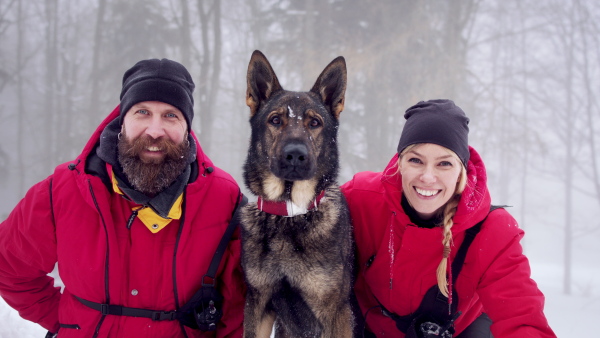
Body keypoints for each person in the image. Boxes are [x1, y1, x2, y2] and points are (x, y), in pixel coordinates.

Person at [0, 58, 246, 337]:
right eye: (142, 112)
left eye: (170, 115)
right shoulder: (63, 190)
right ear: (122, 120)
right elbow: (9, 267)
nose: (155, 131)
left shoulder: (224, 199)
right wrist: (67, 322)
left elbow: (240, 306)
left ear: (187, 127)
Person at [342, 99, 556, 337]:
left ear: (461, 170)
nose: (427, 176)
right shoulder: (360, 199)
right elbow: (300, 214)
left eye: (444, 163)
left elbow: (522, 318)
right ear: (400, 163)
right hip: (371, 327)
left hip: (462, 329)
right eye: (416, 160)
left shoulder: (492, 230)